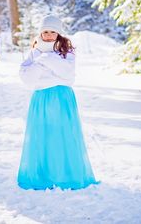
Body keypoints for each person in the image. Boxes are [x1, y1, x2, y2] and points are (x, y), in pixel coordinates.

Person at [17, 15, 98, 190]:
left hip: (62, 97)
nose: (48, 35)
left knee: (63, 134)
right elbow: (26, 77)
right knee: (42, 134)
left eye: (52, 31)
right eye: (45, 31)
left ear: (58, 33)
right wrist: (43, 66)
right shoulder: (35, 52)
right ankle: (43, 174)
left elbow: (68, 74)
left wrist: (46, 62)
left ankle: (66, 173)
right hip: (41, 98)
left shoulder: (66, 51)